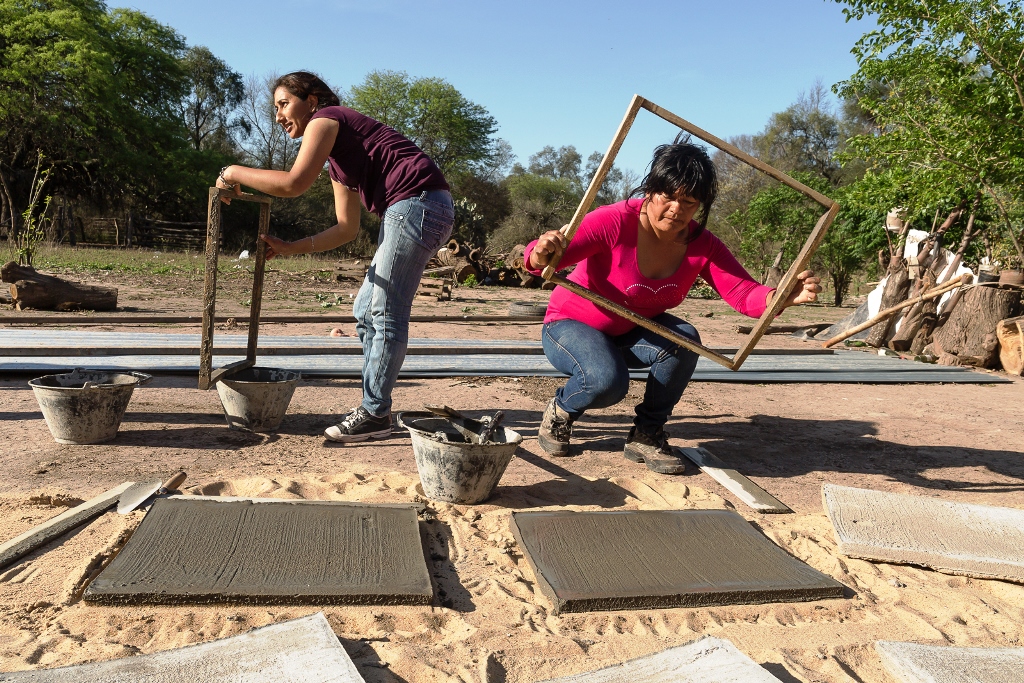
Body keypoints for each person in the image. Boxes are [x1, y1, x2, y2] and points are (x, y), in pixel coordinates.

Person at [524, 137, 820, 473]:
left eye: (690, 201)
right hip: (569, 326)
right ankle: (561, 411)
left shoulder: (702, 245)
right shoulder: (614, 221)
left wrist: (777, 298)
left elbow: (741, 292)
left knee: (684, 339)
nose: (677, 209)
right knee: (607, 381)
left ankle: (647, 433)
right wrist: (540, 250)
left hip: (631, 333)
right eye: (669, 196)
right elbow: (547, 259)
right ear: (650, 190)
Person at [216, 71, 454, 442]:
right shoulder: (340, 161)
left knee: (386, 312)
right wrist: (289, 247)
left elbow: (294, 183)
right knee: (365, 310)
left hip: (417, 205)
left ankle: (375, 413)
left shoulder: (328, 118)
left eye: (283, 104)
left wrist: (230, 171)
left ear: (311, 100)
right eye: (275, 108)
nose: (278, 116)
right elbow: (346, 228)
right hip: (417, 208)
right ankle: (375, 407)